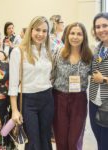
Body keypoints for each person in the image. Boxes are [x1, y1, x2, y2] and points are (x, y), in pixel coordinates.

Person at [8, 16, 54, 150]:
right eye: (37, 30)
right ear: (30, 30)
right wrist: (15, 110)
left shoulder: (48, 51)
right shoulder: (18, 51)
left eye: (44, 31)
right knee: (33, 141)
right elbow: (13, 84)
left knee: (45, 138)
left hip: (47, 98)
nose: (40, 34)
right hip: (28, 101)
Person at [53, 22, 93, 150]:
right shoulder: (58, 53)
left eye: (79, 34)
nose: (75, 37)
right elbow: (51, 74)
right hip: (59, 98)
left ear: (84, 37)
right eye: (72, 33)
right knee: (61, 139)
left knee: (74, 140)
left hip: (79, 100)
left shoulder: (89, 56)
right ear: (67, 35)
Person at [89, 12, 108, 150]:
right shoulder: (98, 48)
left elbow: (100, 77)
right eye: (98, 27)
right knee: (99, 141)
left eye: (105, 25)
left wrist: (104, 79)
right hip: (94, 102)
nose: (101, 30)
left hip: (107, 103)